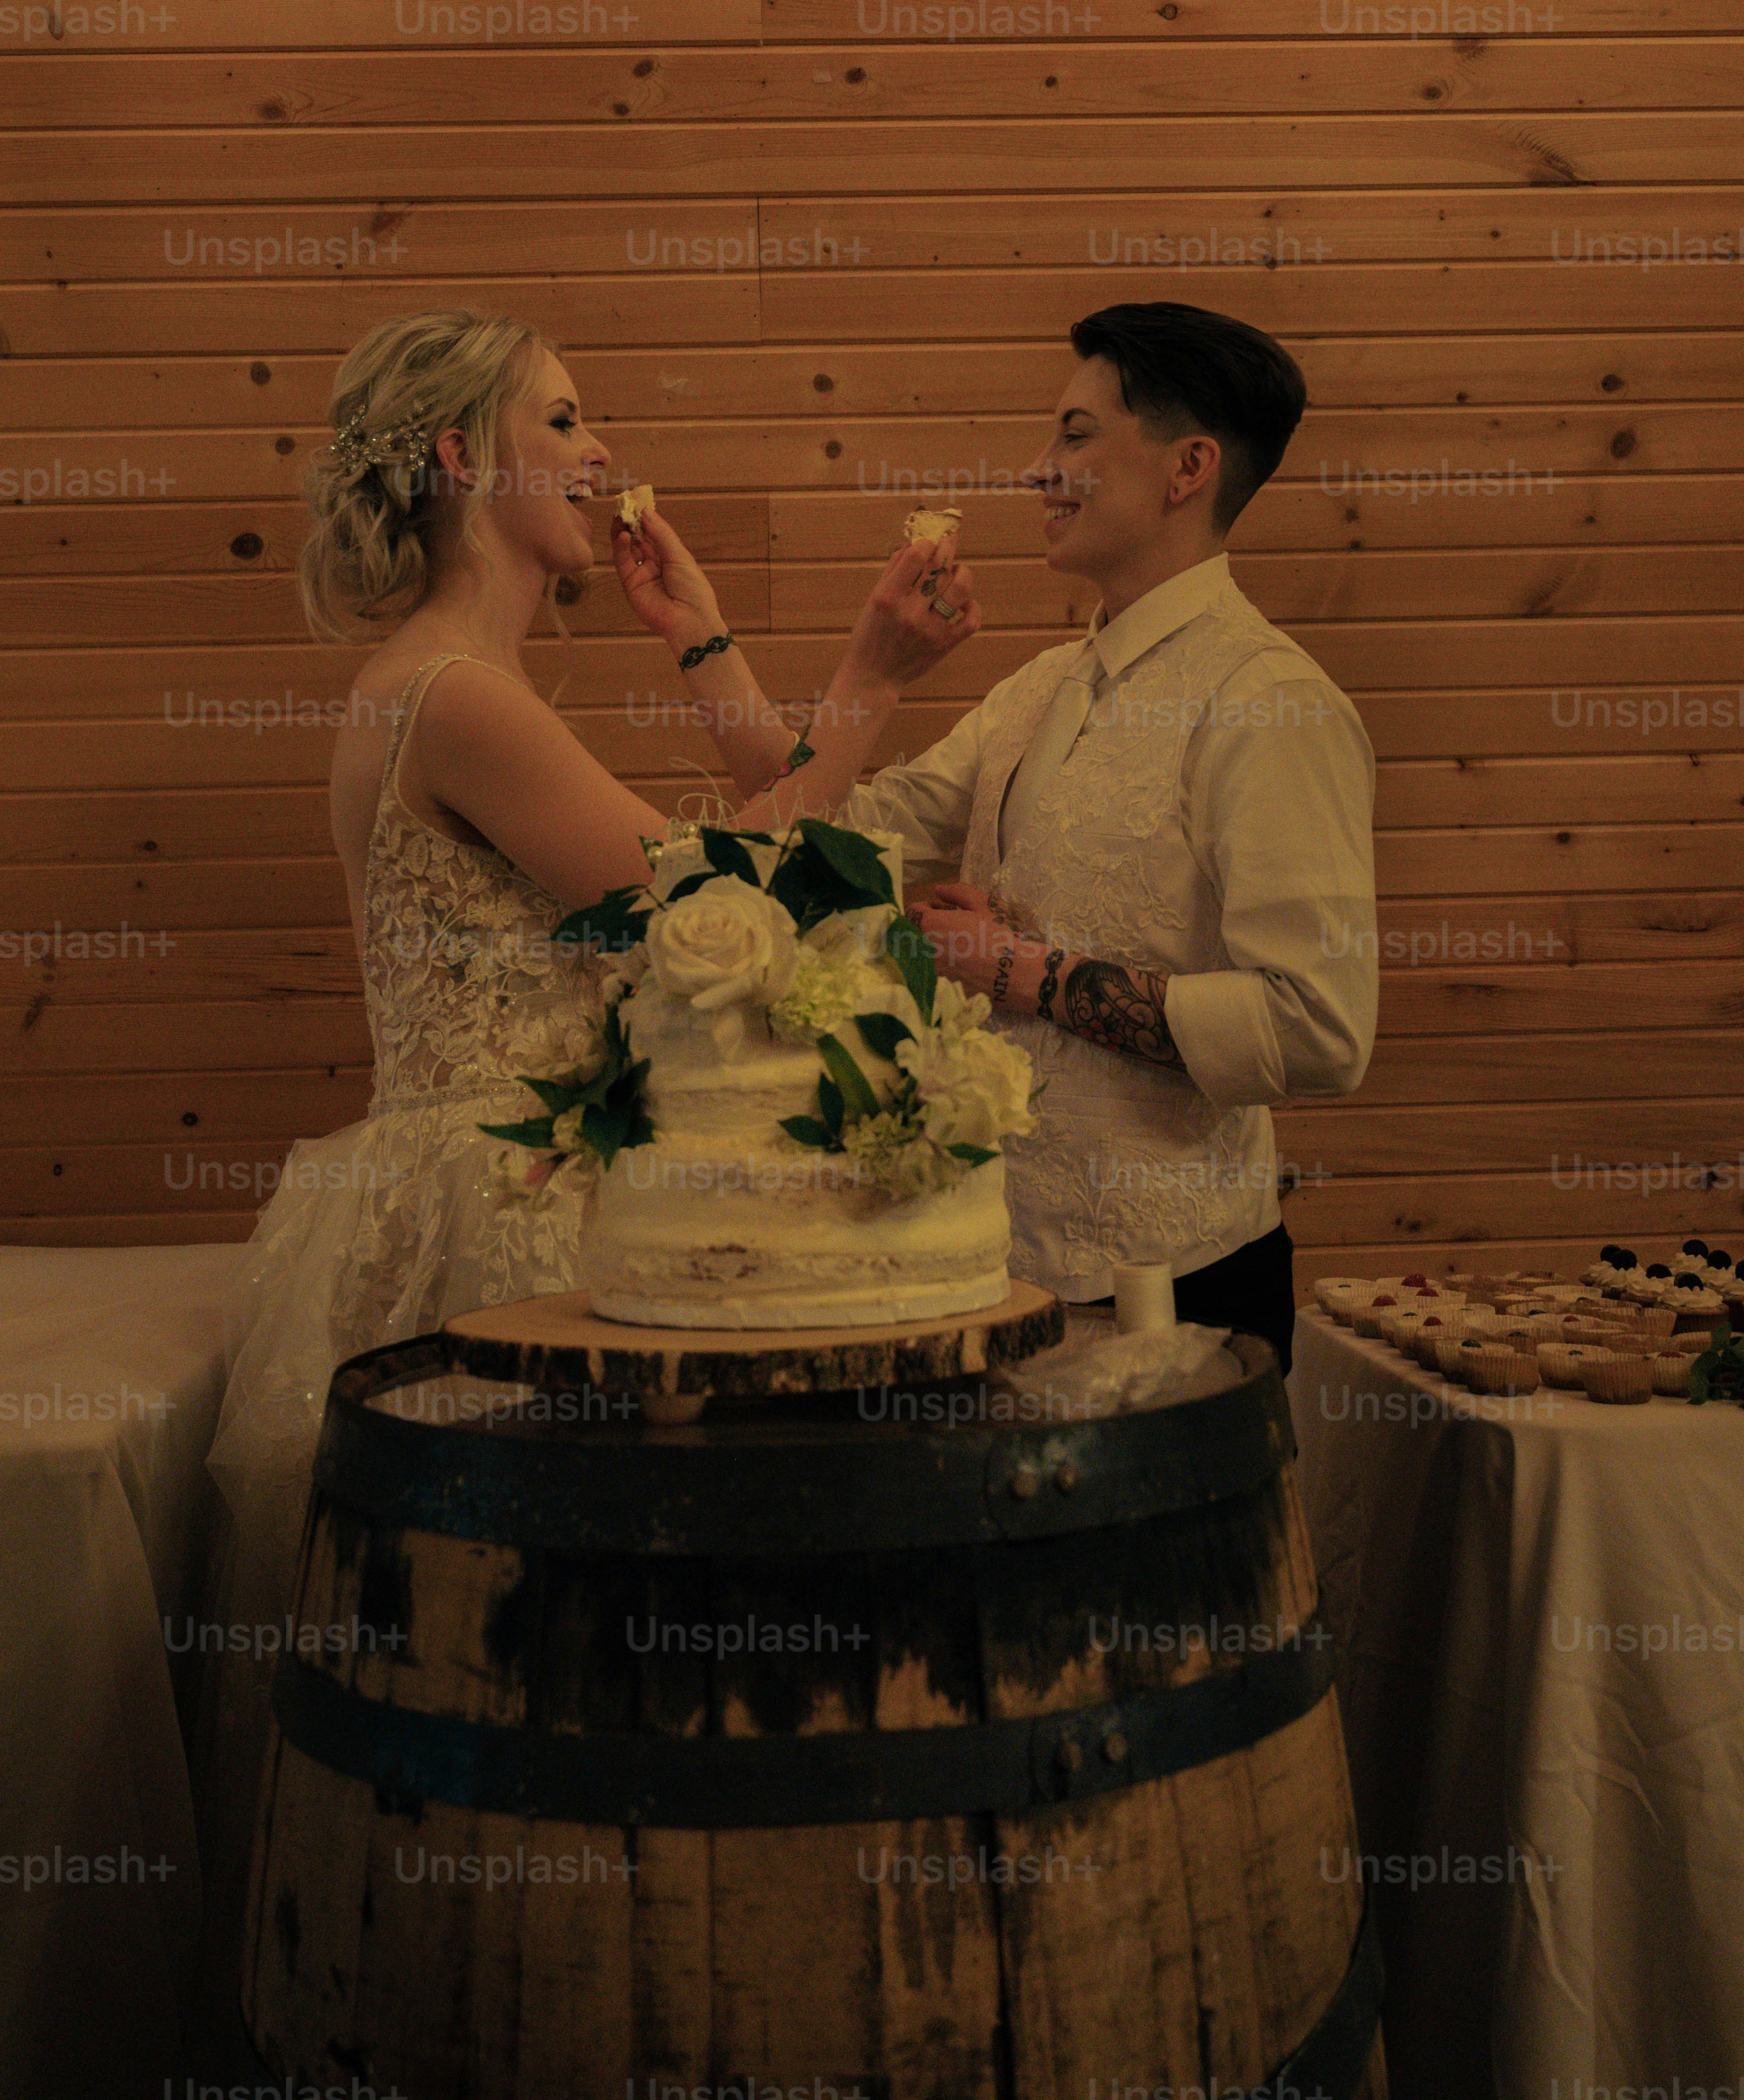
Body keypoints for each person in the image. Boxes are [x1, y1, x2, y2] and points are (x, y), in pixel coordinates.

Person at [188, 308, 976, 2050]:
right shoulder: (457, 696)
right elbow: (716, 906)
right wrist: (873, 674)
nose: (603, 446)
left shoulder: (451, 685)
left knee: (542, 1688)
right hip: (506, 1217)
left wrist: (702, 639)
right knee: (549, 1677)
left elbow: (748, 866)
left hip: (506, 1180)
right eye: (562, 416)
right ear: (459, 455)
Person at [825, 300, 1380, 1374]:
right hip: (990, 1264)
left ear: (1187, 469)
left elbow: (1317, 1026)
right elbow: (838, 836)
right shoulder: (1043, 685)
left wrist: (1019, 971)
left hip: (1177, 1283)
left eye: (1075, 437)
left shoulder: (1269, 703)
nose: (1038, 471)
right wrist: (721, 643)